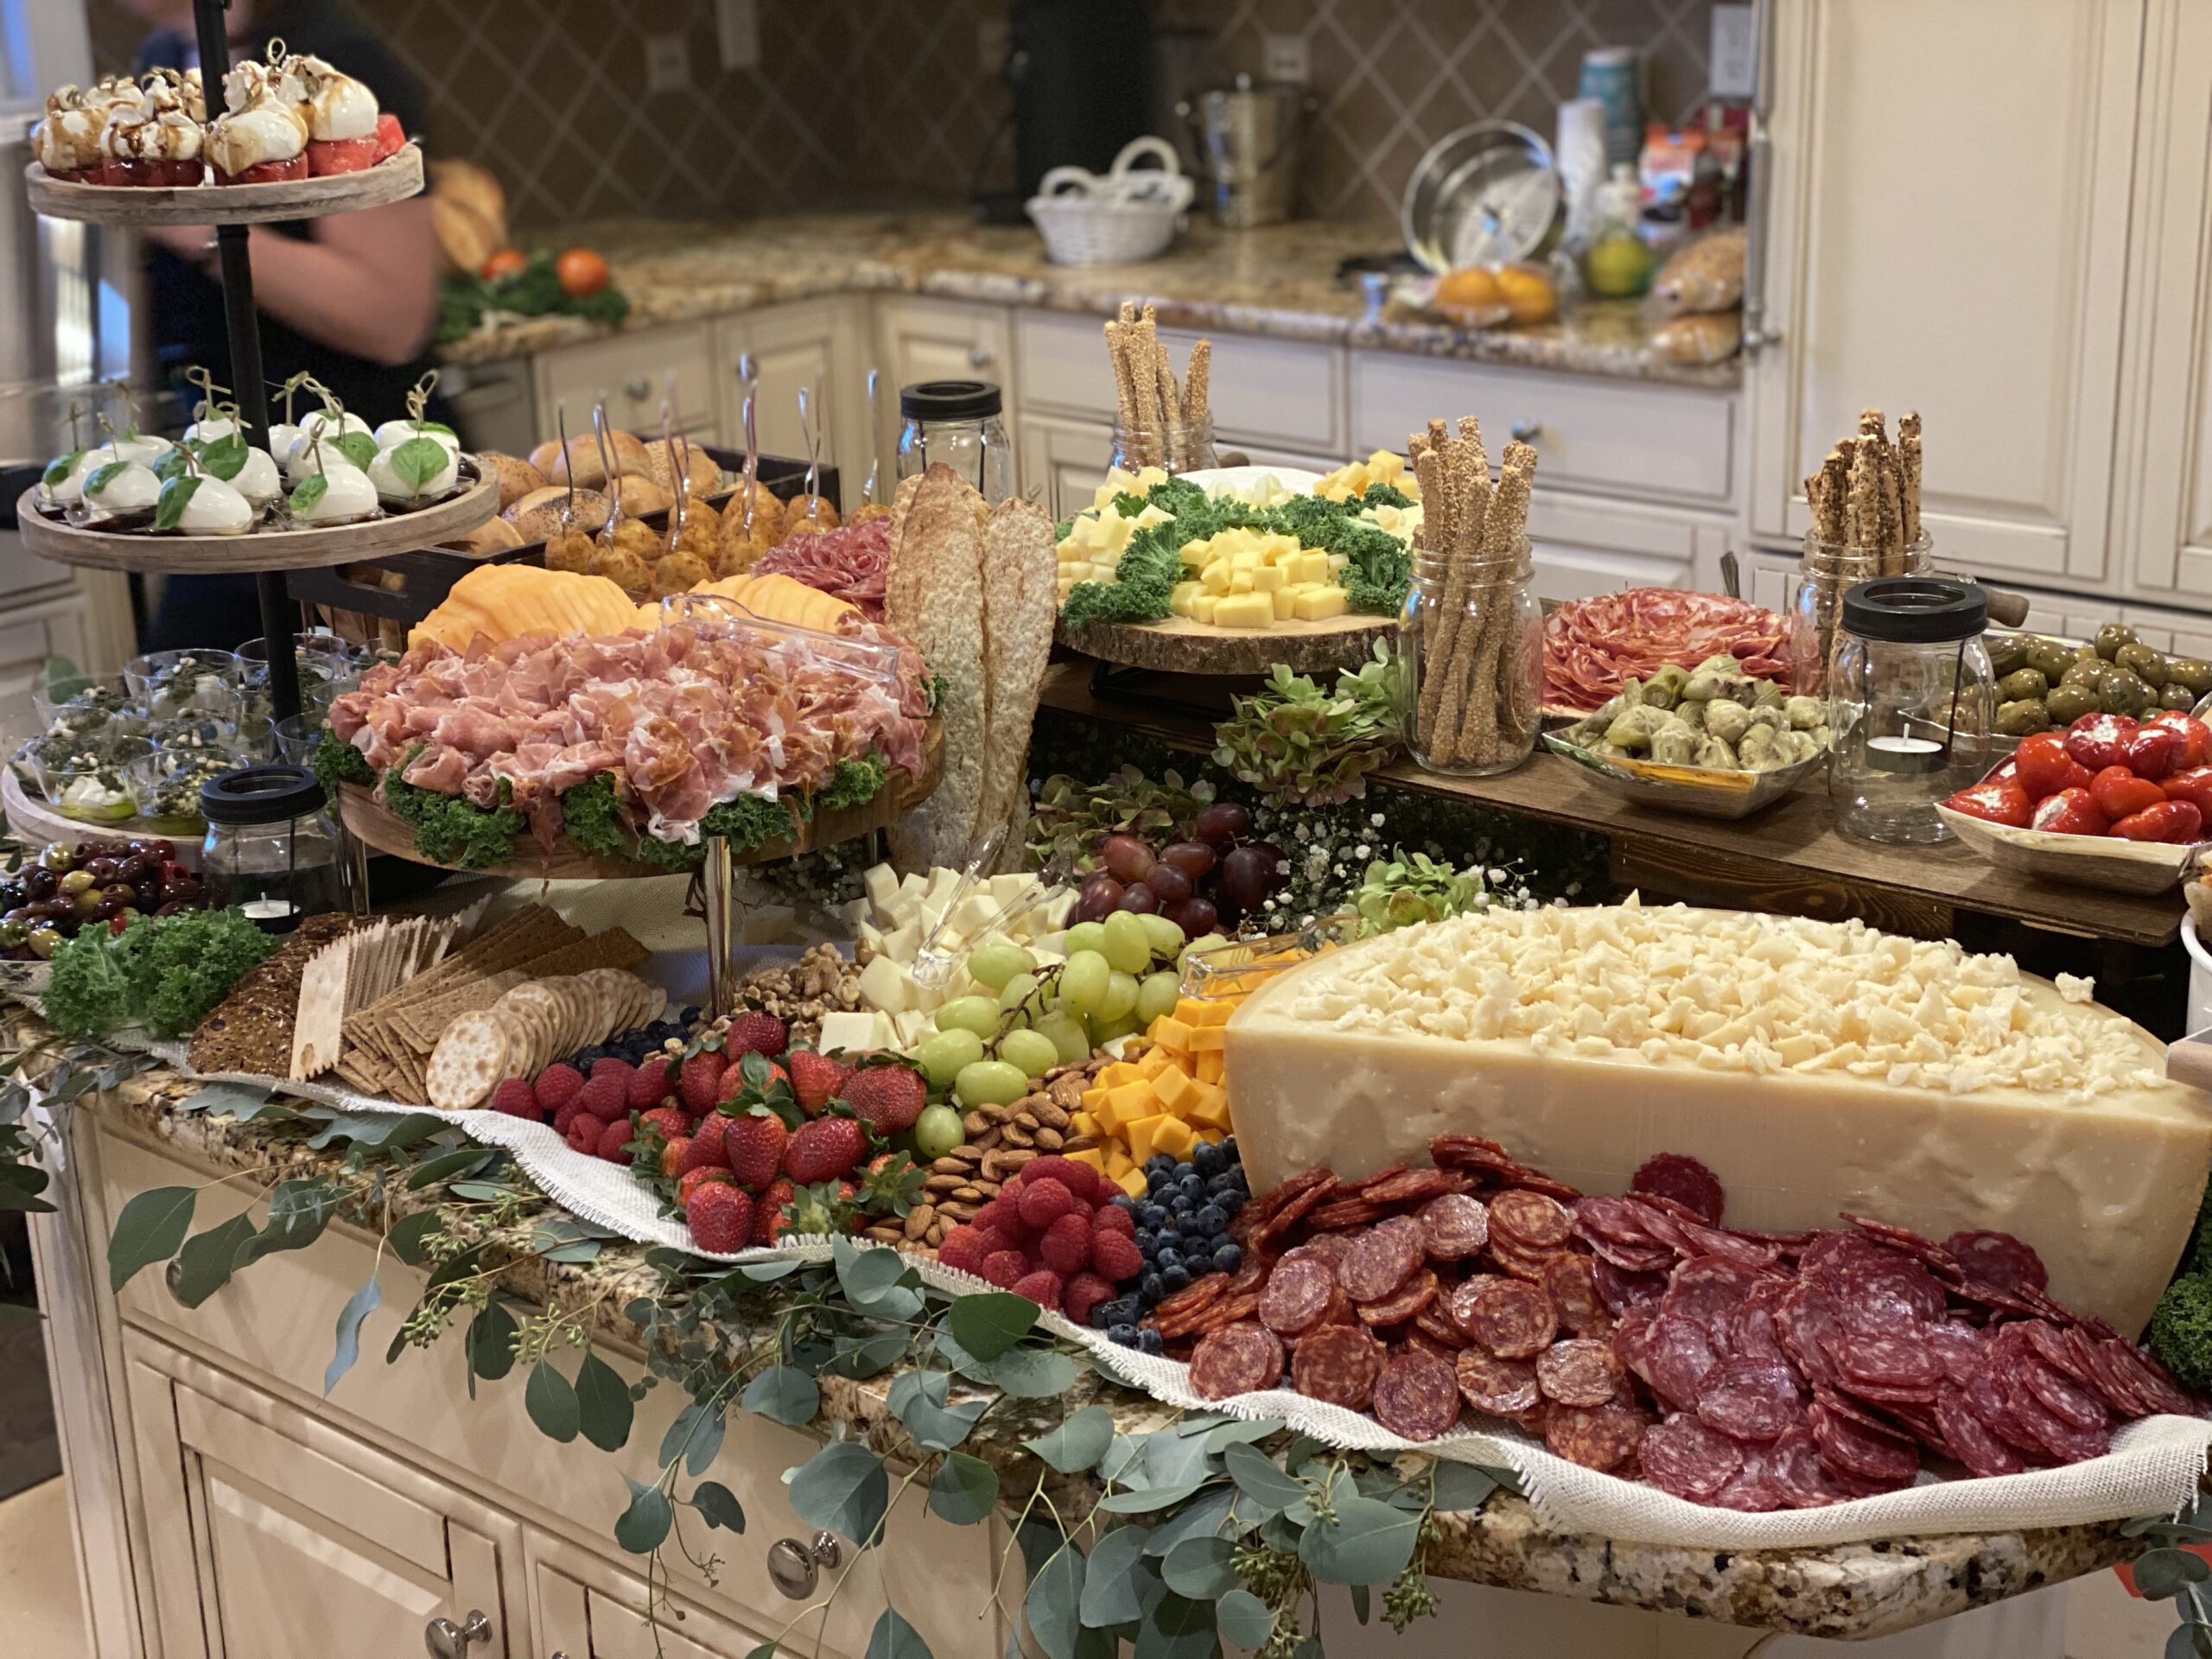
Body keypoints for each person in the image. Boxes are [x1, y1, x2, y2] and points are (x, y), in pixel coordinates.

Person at [121, 0, 444, 650]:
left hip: (355, 480)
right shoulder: (162, 64)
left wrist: (195, 228)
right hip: (225, 473)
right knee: (191, 690)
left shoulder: (333, 67)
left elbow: (392, 316)